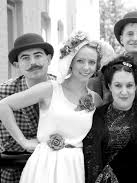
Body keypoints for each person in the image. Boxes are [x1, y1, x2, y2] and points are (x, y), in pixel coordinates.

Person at [0, 31, 103, 183]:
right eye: (80, 61)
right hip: (43, 164)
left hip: (76, 166)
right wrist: (24, 142)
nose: (86, 67)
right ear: (71, 62)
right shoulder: (51, 88)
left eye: (92, 62)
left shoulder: (95, 99)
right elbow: (3, 105)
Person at [83, 55, 137, 183]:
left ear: (136, 86)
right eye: (118, 85)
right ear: (109, 86)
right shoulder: (97, 116)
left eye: (129, 85)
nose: (124, 92)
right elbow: (90, 162)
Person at [0, 33, 56, 183]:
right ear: (16, 65)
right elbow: (6, 143)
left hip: (54, 170)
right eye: (25, 58)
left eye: (38, 55)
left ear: (49, 59)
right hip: (13, 173)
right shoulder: (4, 92)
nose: (33, 62)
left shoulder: (62, 88)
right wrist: (25, 142)